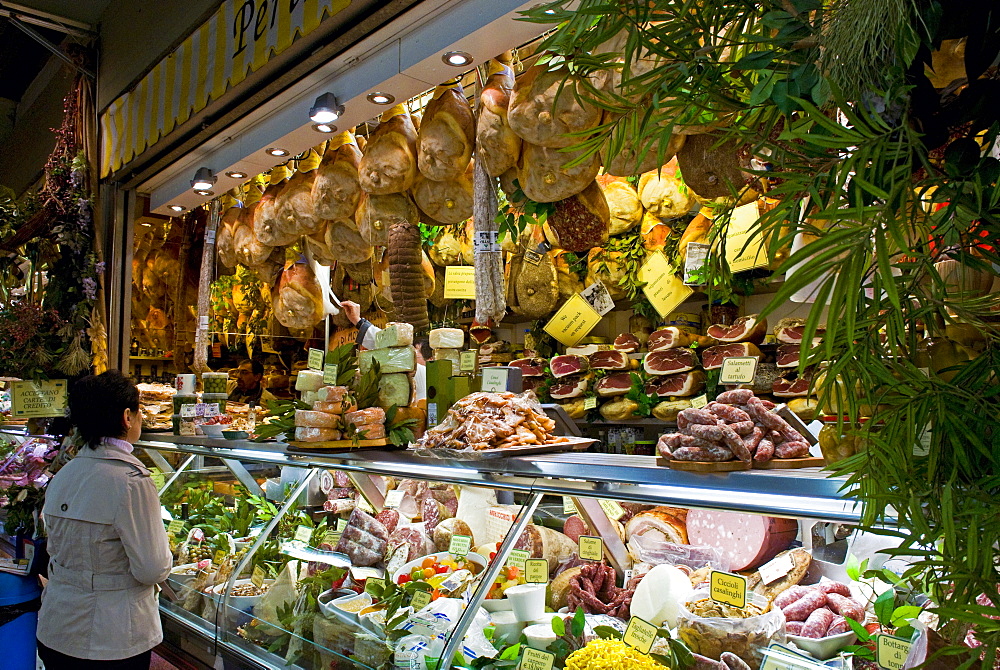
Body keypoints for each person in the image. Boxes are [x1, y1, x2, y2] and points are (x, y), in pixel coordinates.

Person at [37, 370, 172, 669]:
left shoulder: (64, 475)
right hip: (111, 639)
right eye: (139, 412)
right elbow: (152, 568)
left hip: (57, 627)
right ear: (127, 417)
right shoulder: (131, 481)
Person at [341, 301, 427, 401]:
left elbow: (391, 350)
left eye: (415, 352)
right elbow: (386, 345)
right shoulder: (401, 368)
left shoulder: (421, 371)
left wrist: (358, 321)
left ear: (430, 359)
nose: (412, 354)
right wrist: (358, 321)